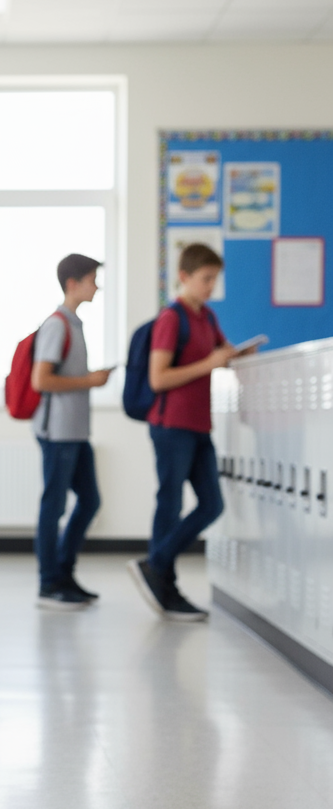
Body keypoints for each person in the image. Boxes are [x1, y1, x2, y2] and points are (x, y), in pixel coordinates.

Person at [127, 242, 243, 621]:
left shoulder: (207, 318)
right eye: (205, 279)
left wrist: (236, 356)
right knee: (171, 504)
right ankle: (165, 583)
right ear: (184, 277)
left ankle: (155, 566)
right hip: (171, 425)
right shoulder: (171, 319)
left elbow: (222, 352)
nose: (211, 286)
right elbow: (159, 378)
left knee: (212, 504)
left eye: (215, 279)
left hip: (198, 425)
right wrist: (210, 362)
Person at [31, 253, 114, 610]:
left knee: (90, 500)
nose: (97, 285)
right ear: (73, 283)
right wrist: (91, 380)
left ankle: (64, 574)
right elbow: (41, 379)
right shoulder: (57, 324)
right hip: (58, 432)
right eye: (92, 278)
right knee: (54, 506)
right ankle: (49, 584)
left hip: (76, 432)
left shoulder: (74, 324)